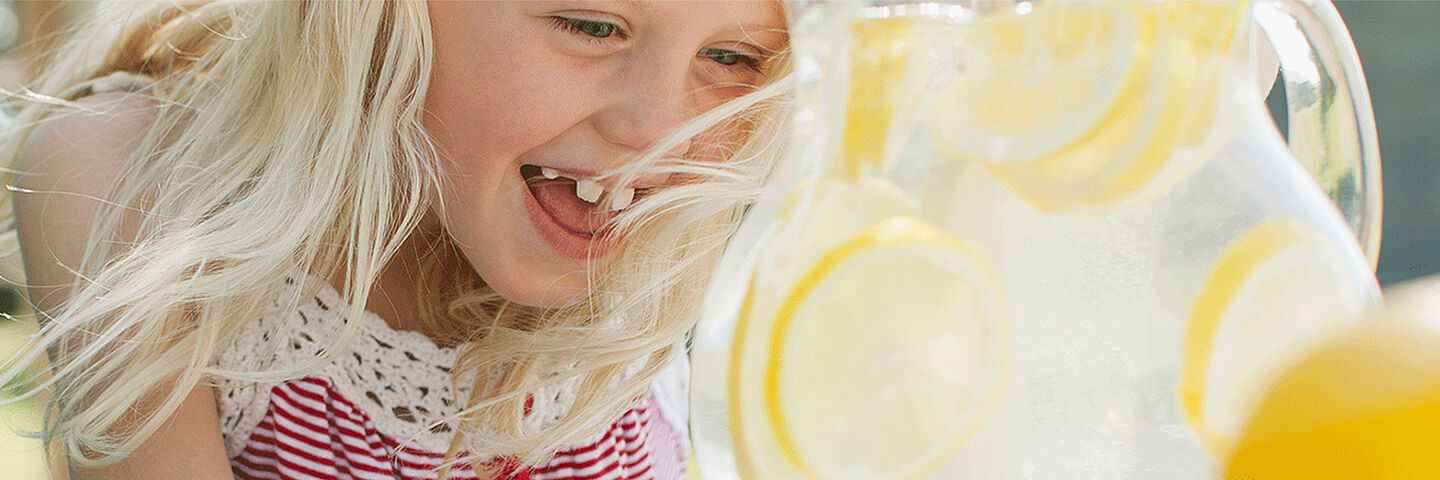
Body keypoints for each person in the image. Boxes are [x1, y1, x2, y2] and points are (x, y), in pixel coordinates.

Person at [0, 1, 791, 479]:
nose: (658, 129)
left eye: (730, 56)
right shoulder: (136, 177)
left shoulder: (699, 216)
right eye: (591, 23)